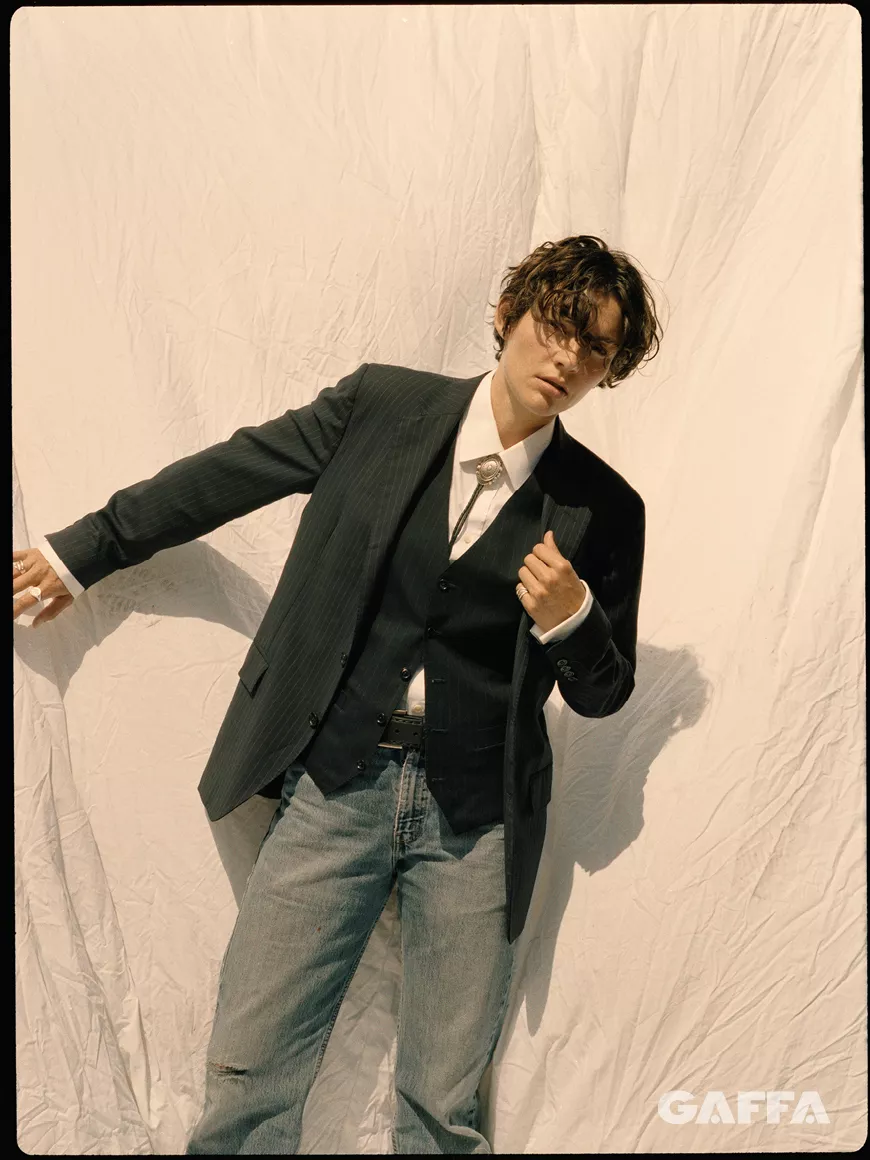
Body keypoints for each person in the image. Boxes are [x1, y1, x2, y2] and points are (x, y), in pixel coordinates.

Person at [13, 235, 661, 1154]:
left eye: (595, 348)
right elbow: (228, 474)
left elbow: (604, 693)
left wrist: (573, 618)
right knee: (250, 1080)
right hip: (335, 782)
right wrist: (86, 549)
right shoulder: (383, 407)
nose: (568, 358)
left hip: (479, 820)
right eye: (557, 326)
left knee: (443, 1110)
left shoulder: (605, 507)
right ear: (508, 314)